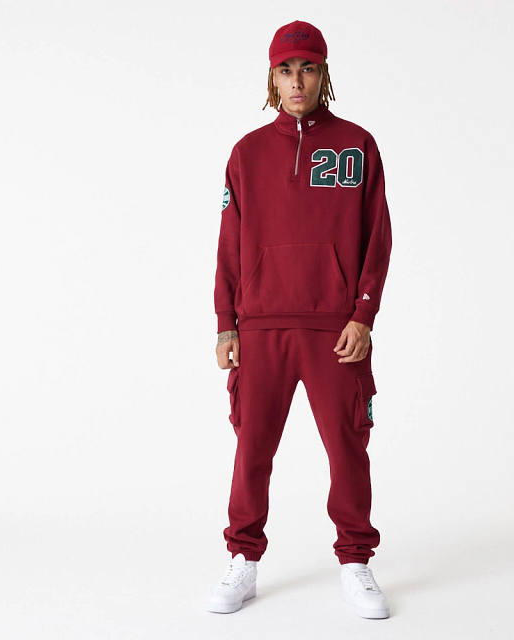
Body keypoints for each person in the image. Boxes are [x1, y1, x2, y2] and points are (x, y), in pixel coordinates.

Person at [206, 20, 393, 619]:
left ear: (323, 74)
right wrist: (226, 321)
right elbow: (229, 243)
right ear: (272, 77)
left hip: (335, 326)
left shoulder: (357, 145)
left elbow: (378, 237)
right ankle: (243, 558)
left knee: (347, 447)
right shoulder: (247, 152)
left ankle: (355, 561)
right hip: (261, 325)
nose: (297, 81)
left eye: (308, 69)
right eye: (286, 70)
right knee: (251, 450)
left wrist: (364, 313)